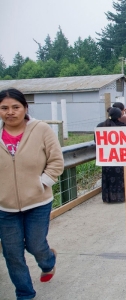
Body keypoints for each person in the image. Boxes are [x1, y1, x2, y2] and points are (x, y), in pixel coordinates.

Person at [0, 88, 64, 300]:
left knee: (36, 245)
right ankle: (25, 294)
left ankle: (48, 261)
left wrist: (42, 182)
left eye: (15, 107)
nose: (10, 112)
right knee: (12, 254)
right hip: (5, 206)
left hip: (38, 201)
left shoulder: (41, 129)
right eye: (4, 108)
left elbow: (56, 161)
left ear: (25, 108)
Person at [97, 107, 126, 203]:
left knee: (108, 178)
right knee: (120, 178)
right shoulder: (123, 126)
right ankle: (120, 197)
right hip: (119, 157)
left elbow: (97, 140)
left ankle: (108, 198)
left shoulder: (101, 126)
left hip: (107, 157)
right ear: (120, 116)